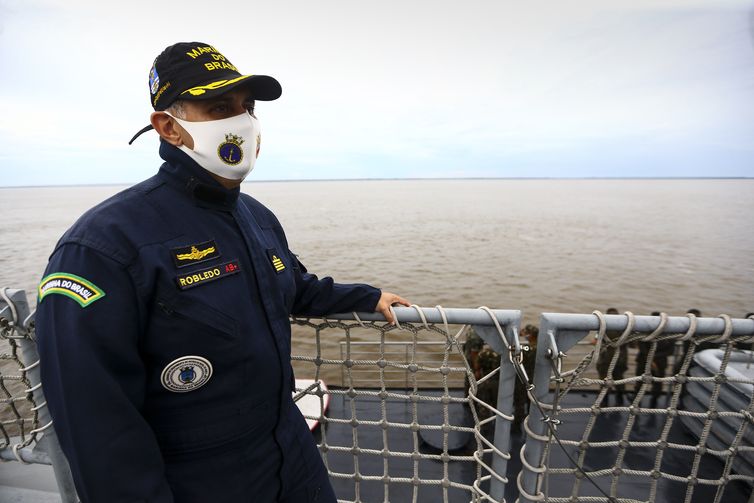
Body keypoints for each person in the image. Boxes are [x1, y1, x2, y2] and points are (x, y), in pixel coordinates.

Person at [35, 42, 409, 503]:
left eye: (247, 108)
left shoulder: (256, 216)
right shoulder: (103, 247)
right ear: (169, 127)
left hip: (291, 455)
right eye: (218, 107)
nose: (243, 122)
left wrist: (365, 297)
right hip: (201, 479)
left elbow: (291, 286)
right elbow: (98, 426)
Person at [596, 308, 628, 406]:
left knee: (604, 382)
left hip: (606, 359)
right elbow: (633, 344)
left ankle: (604, 403)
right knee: (619, 382)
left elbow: (596, 340)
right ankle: (620, 401)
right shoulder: (625, 328)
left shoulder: (603, 326)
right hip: (620, 359)